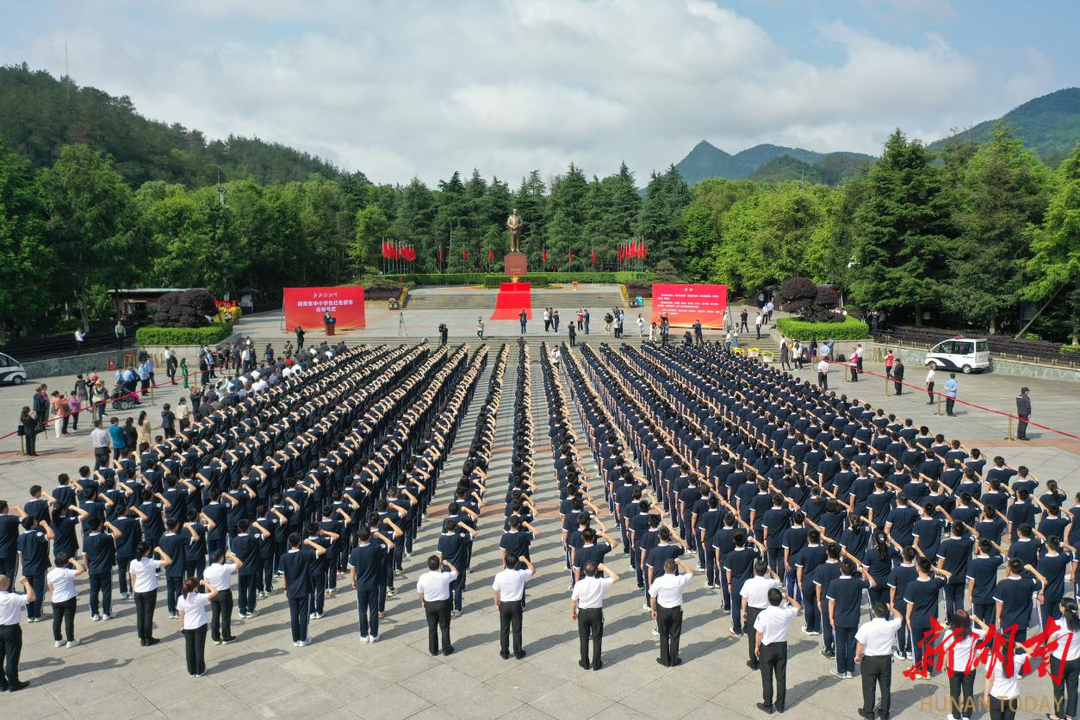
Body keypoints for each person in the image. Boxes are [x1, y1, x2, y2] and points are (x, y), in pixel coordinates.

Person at [754, 586, 802, 714]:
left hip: (767, 648)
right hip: (781, 647)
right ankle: (780, 705)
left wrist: (756, 647)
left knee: (767, 678)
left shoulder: (763, 614)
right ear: (780, 600)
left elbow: (759, 633)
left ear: (769, 600)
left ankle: (768, 704)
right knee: (781, 677)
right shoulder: (786, 612)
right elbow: (798, 606)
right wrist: (788, 597)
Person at [854, 601, 904, 720]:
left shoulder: (866, 627)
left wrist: (858, 656)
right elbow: (900, 617)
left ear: (873, 611)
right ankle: (884, 713)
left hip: (870, 660)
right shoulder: (891, 625)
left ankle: (869, 712)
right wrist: (892, 608)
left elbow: (860, 644)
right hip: (885, 660)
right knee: (885, 687)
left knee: (869, 687)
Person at [348, 525, 394, 643]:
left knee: (362, 611)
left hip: (361, 585)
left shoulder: (355, 551)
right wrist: (381, 536)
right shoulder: (375, 548)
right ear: (369, 536)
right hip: (373, 585)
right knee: (374, 611)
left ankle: (364, 635)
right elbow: (391, 545)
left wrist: (352, 581)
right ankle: (374, 634)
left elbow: (352, 569)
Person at [571, 561, 619, 670]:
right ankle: (596, 664)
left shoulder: (579, 584)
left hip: (583, 612)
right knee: (597, 638)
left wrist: (573, 612)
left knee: (583, 639)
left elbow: (574, 601)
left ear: (584, 572)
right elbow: (616, 577)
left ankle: (584, 662)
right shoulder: (600, 582)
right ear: (596, 571)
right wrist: (604, 567)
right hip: (596, 613)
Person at [281, 532, 324, 647]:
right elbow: (322, 550)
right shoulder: (305, 554)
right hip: (304, 589)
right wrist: (310, 542)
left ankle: (296, 640)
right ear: (299, 542)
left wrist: (284, 588)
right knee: (304, 614)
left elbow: (283, 575)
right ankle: (303, 639)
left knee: (294, 615)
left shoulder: (284, 557)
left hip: (291, 590)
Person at [649, 558, 693, 667]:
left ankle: (665, 660)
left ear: (664, 568)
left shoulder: (659, 581)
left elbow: (652, 597)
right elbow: (691, 572)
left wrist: (654, 609)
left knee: (663, 636)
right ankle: (674, 660)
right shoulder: (679, 580)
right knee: (675, 636)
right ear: (675, 569)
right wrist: (681, 562)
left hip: (662, 610)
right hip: (676, 610)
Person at [492, 554, 536, 659]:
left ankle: (504, 652)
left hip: (504, 604)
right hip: (516, 604)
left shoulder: (499, 575)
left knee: (504, 629)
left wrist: (496, 603)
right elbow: (533, 570)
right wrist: (525, 560)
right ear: (516, 563)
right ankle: (518, 652)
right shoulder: (520, 574)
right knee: (517, 630)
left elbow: (495, 591)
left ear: (505, 562)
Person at [130, 541, 172, 646]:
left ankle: (142, 638)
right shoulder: (151, 562)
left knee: (140, 615)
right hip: (149, 591)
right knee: (148, 615)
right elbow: (168, 560)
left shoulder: (133, 562)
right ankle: (149, 637)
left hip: (138, 591)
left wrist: (134, 590)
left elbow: (132, 578)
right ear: (146, 552)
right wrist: (160, 550)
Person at [416, 555, 458, 656]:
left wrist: (422, 601)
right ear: (439, 565)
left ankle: (433, 650)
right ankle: (446, 649)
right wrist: (448, 564)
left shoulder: (423, 577)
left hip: (429, 605)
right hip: (443, 604)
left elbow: (420, 592)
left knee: (432, 628)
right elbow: (456, 572)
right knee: (444, 627)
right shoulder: (445, 576)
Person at [176, 577, 218, 677]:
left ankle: (191, 671)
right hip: (200, 625)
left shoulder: (181, 599)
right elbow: (215, 592)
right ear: (195, 587)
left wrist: (182, 626)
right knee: (199, 648)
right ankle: (200, 670)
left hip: (188, 626)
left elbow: (181, 614)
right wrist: (205, 583)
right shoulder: (199, 597)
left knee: (189, 649)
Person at [0, 574, 35, 691]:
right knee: (12, 658)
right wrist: (26, 583)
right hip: (11, 629)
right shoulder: (11, 597)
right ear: (5, 584)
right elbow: (31, 597)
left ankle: (1, 684)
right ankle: (13, 683)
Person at [1047, 598, 1080, 720]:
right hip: (1076, 660)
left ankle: (1059, 715)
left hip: (1059, 660)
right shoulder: (1078, 623)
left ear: (1063, 609)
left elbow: (1050, 644)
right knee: (1073, 688)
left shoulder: (1057, 624)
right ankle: (1070, 715)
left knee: (1058, 688)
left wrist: (1045, 658)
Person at [47, 553, 86, 648]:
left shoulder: (50, 574)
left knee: (56, 620)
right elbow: (81, 570)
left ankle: (58, 640)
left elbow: (50, 588)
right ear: (66, 563)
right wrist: (73, 561)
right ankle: (70, 640)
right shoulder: (67, 572)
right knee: (69, 620)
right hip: (68, 599)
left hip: (56, 600)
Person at [204, 550, 242, 645]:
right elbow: (239, 563)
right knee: (226, 616)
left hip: (213, 594)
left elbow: (207, 585)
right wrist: (231, 556)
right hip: (225, 594)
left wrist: (208, 595)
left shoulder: (207, 570)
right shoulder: (225, 568)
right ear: (221, 558)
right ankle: (226, 636)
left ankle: (215, 637)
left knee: (215, 616)